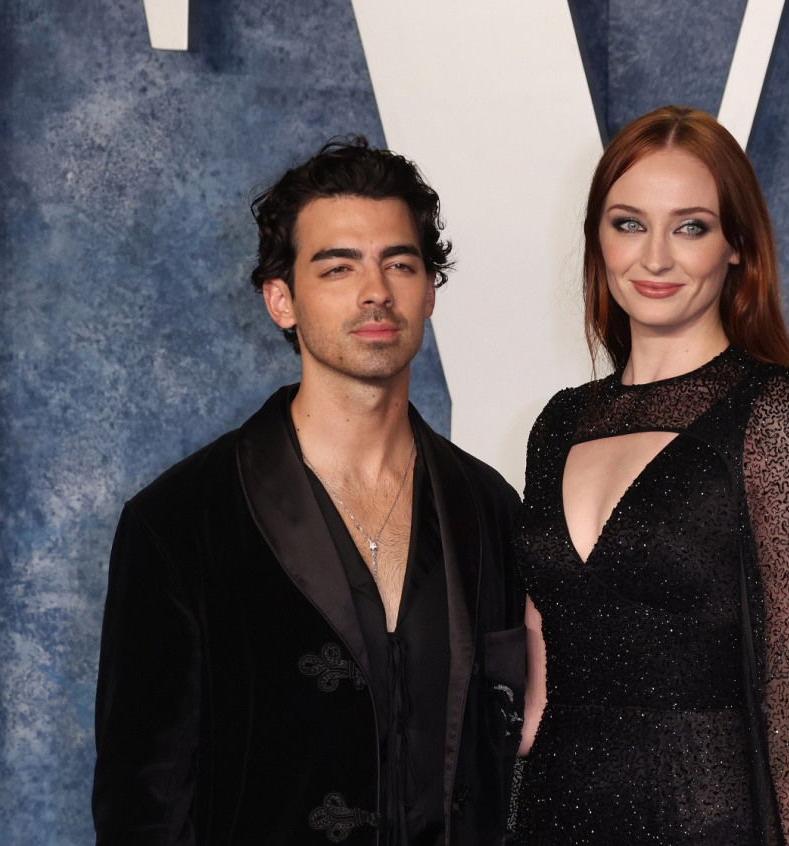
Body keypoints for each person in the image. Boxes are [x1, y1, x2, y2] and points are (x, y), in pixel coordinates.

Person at [93, 138, 527, 846]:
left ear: (429, 293)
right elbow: (142, 809)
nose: (375, 291)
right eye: (338, 267)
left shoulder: (493, 511)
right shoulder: (177, 523)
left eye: (400, 263)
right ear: (281, 300)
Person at [513, 106, 789, 845]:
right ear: (598, 239)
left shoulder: (777, 414)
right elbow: (539, 668)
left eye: (691, 227)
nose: (655, 259)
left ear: (737, 246)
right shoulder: (559, 423)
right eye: (629, 224)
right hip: (553, 816)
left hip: (710, 825)